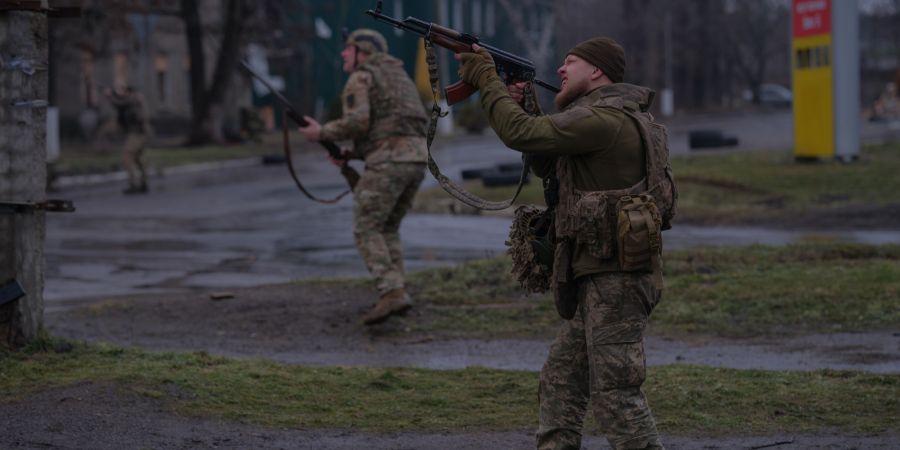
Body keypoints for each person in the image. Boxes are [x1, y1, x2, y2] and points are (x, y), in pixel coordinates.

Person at [456, 37, 673, 450]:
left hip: (616, 282)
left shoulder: (602, 120)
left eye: (571, 62)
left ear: (597, 71)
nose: (560, 69)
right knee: (560, 382)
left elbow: (519, 134)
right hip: (601, 276)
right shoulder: (601, 118)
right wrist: (524, 104)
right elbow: (546, 162)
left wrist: (486, 77)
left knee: (617, 397)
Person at [297, 29, 429, 326]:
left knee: (366, 227)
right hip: (417, 160)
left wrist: (321, 133)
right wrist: (353, 155)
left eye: (349, 49)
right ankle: (397, 289)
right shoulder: (398, 77)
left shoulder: (362, 76)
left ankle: (392, 291)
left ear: (363, 53)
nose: (344, 53)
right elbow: (393, 125)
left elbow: (358, 123)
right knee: (387, 227)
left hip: (389, 161)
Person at [104, 85, 149, 194]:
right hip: (139, 133)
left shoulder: (132, 99)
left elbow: (120, 103)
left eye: (123, 91)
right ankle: (143, 183)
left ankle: (133, 184)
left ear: (128, 92)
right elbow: (120, 104)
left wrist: (110, 95)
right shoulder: (133, 100)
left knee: (127, 156)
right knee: (137, 158)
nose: (121, 93)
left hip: (137, 134)